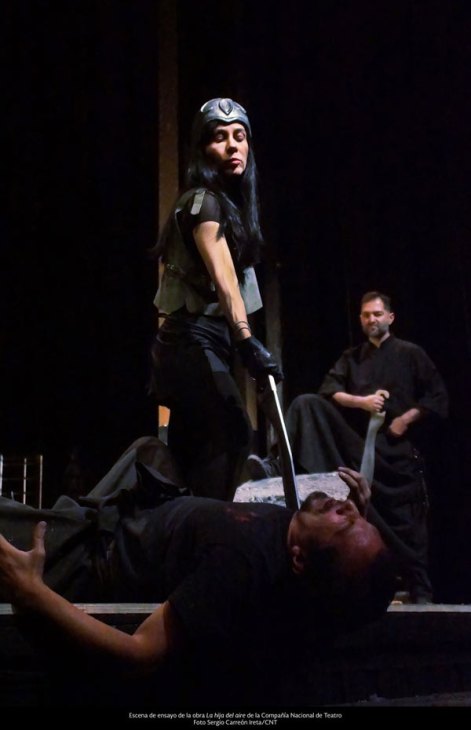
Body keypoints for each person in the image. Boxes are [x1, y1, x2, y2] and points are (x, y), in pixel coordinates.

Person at [0, 436, 397, 707]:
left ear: (299, 560)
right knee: (150, 448)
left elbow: (140, 654)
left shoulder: (239, 568)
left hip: (98, 548)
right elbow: (341, 592)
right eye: (361, 519)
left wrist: (33, 593)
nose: (348, 508)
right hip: (147, 507)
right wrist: (354, 529)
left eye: (345, 524)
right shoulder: (303, 557)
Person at [247, 291, 449, 604]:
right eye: (366, 315)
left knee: (408, 525)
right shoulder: (353, 357)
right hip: (358, 445)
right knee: (306, 403)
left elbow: (437, 397)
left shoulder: (410, 353)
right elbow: (331, 391)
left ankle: (420, 589)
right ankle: (278, 463)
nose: (372, 320)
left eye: (377, 314)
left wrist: (405, 419)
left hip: (395, 451)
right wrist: (362, 402)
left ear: (390, 317)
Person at [149, 97, 282, 501]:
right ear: (202, 149)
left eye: (239, 136)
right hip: (190, 341)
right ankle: (207, 524)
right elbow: (225, 281)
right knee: (232, 430)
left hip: (206, 343)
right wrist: (248, 342)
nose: (232, 145)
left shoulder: (231, 208)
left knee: (192, 450)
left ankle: (178, 522)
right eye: (219, 137)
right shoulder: (203, 203)